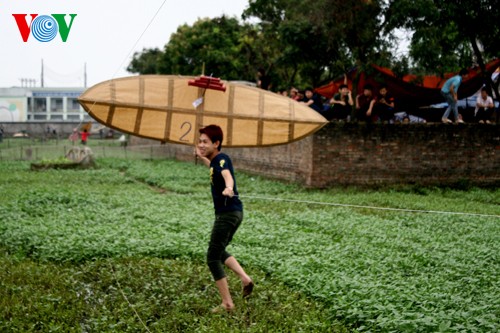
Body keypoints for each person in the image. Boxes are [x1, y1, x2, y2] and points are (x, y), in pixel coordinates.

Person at [195, 125, 253, 313]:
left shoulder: (221, 158)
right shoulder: (215, 161)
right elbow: (214, 169)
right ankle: (245, 278)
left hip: (227, 215)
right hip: (235, 213)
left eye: (205, 142)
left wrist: (229, 187)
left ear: (217, 143)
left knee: (212, 258)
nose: (201, 144)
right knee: (220, 251)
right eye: (200, 141)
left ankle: (227, 303)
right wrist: (202, 155)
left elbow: (226, 174)